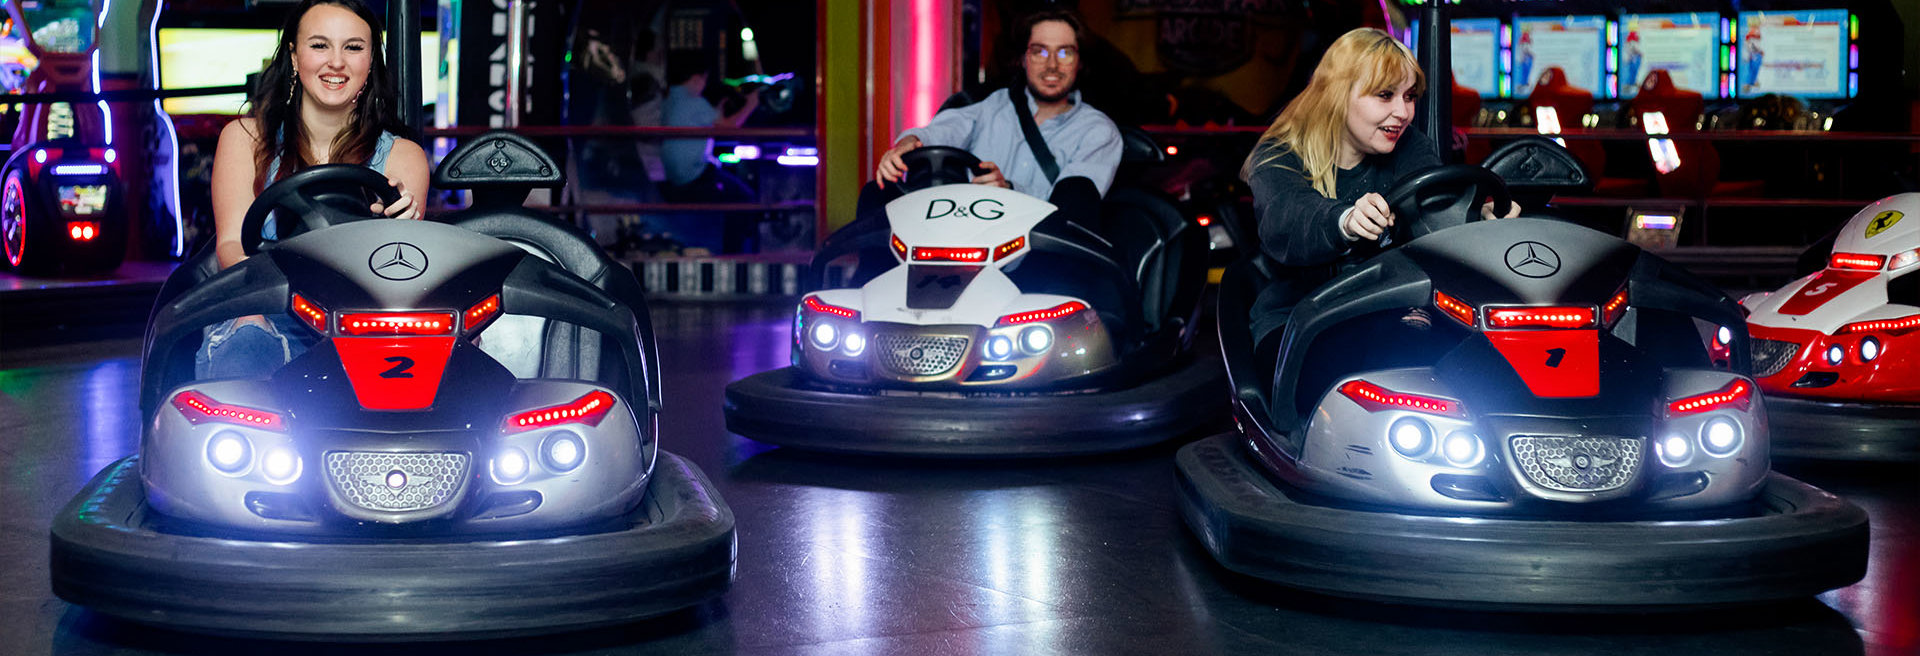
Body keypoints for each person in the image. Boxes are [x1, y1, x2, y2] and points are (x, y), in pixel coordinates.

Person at [1243, 27, 1518, 350]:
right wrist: (1344, 220)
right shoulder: (1281, 154)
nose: (1403, 113)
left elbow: (1434, 209)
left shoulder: (1410, 145)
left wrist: (1473, 219)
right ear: (1338, 93)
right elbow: (1285, 218)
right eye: (1385, 95)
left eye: (1410, 96)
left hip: (1386, 306)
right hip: (1298, 314)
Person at [197, 0, 430, 378]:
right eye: (320, 45)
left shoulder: (403, 156)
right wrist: (279, 304)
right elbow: (232, 246)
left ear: (370, 60)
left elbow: (399, 272)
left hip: (360, 322)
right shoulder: (244, 139)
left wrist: (398, 225)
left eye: (353, 47)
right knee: (250, 336)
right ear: (293, 55)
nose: (336, 62)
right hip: (266, 305)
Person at [862, 7, 1122, 233]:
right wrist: (910, 143)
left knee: (1077, 193)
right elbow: (945, 129)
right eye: (1039, 52)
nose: (1052, 65)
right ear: (1023, 59)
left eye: (1064, 53)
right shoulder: (991, 107)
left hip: (1039, 257)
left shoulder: (1098, 131)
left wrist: (1009, 190)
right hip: (964, 244)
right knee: (877, 193)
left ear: (1079, 61)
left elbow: (1072, 212)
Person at [661, 52, 759, 251]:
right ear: (696, 78)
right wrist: (751, 104)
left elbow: (706, 123)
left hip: (675, 177)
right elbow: (730, 127)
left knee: (732, 191)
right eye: (704, 80)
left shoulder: (670, 98)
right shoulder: (694, 101)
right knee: (744, 198)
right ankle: (735, 253)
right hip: (693, 176)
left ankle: (736, 245)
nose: (704, 85)